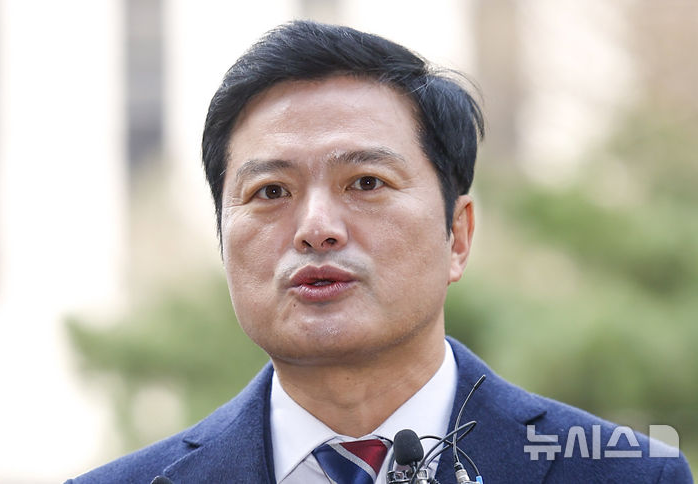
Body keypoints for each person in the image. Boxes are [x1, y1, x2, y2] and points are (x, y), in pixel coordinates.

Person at [67, 20, 693, 484]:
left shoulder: (628, 475)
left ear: (458, 235)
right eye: (271, 191)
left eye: (366, 183)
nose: (316, 229)